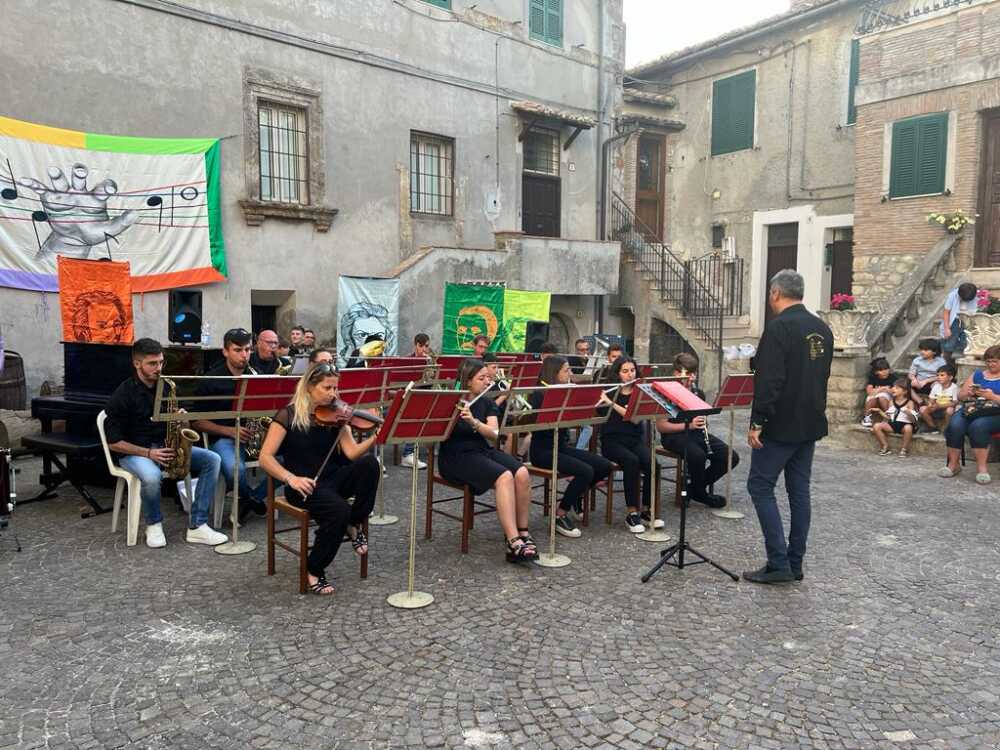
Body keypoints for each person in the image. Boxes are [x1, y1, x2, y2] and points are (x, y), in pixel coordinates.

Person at [257, 363, 380, 595]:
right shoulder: (288, 415)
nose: (333, 394)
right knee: (339, 510)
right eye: (327, 388)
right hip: (303, 486)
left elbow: (352, 453)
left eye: (335, 388)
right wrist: (291, 478)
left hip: (333, 480)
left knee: (370, 464)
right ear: (309, 387)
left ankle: (353, 522)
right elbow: (265, 457)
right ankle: (314, 568)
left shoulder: (338, 414)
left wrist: (375, 438)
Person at [744, 269, 833, 585]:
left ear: (775, 293)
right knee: (799, 491)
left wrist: (758, 421)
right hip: (810, 421)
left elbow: (769, 380)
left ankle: (778, 562)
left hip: (780, 423)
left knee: (760, 486)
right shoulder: (821, 328)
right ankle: (795, 562)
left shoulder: (779, 328)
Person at [104, 338, 227, 548]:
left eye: (161, 362)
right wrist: (149, 453)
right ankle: (153, 524)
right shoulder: (123, 394)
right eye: (152, 364)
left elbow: (176, 426)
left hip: (165, 446)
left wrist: (182, 420)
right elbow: (113, 442)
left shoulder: (167, 387)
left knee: (213, 459)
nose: (159, 368)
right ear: (137, 364)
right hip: (135, 452)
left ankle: (198, 525)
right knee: (152, 477)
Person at [438, 358, 538, 563]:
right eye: (481, 378)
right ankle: (512, 541)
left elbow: (493, 434)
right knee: (504, 476)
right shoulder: (450, 402)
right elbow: (436, 434)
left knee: (522, 473)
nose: (487, 382)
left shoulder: (486, 402)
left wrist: (473, 421)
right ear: (467, 381)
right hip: (456, 456)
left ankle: (523, 531)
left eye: (488, 378)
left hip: (481, 450)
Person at [528, 356, 612, 538]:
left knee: (604, 466)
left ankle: (574, 495)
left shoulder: (567, 391)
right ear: (554, 373)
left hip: (561, 446)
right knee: (585, 471)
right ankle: (560, 514)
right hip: (542, 451)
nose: (571, 373)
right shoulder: (539, 394)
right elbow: (533, 423)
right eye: (566, 370)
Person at [191, 328, 268, 521]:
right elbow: (196, 422)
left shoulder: (256, 375)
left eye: (248, 350)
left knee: (290, 458)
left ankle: (250, 499)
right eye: (238, 350)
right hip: (223, 438)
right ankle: (251, 499)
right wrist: (229, 431)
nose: (244, 355)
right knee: (235, 470)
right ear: (225, 351)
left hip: (252, 437)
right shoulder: (210, 380)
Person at [656, 352, 736, 510]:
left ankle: (693, 489)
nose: (692, 378)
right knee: (698, 455)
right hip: (673, 436)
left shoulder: (698, 393)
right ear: (676, 373)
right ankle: (700, 493)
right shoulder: (665, 393)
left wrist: (702, 423)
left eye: (694, 373)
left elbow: (702, 421)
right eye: (688, 373)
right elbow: (661, 426)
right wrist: (690, 425)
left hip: (696, 434)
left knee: (730, 457)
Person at [597, 356, 657, 533]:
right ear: (617, 374)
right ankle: (632, 513)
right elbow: (597, 412)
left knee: (652, 463)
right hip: (612, 442)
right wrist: (603, 400)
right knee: (632, 462)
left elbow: (635, 418)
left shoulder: (640, 393)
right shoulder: (609, 392)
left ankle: (646, 510)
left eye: (632, 370)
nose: (630, 374)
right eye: (625, 371)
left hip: (634, 440)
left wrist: (612, 404)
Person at [938, 344, 1000, 485]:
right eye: (988, 361)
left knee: (979, 426)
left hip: (996, 413)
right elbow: (960, 396)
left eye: (995, 361)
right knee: (955, 424)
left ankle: (982, 469)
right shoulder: (977, 375)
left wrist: (992, 396)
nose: (991, 364)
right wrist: (969, 393)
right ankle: (953, 465)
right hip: (973, 409)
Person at [401, 333, 433, 469]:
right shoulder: (407, 360)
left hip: (424, 396)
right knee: (416, 414)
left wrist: (430, 368)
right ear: (416, 345)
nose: (425, 349)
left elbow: (432, 382)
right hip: (409, 397)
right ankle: (408, 454)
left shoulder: (430, 361)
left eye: (427, 346)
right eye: (423, 346)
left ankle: (434, 447)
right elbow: (402, 383)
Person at [871, 379, 919, 457]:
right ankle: (885, 446)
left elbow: (913, 420)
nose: (893, 389)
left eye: (897, 388)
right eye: (893, 387)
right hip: (893, 424)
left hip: (904, 425)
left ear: (904, 391)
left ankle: (904, 449)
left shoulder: (910, 402)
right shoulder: (891, 402)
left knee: (908, 428)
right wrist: (879, 411)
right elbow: (889, 417)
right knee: (876, 426)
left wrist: (908, 413)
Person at [941, 282, 978, 359]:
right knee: (949, 343)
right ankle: (946, 360)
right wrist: (947, 328)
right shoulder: (952, 295)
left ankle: (963, 359)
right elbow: (946, 312)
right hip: (955, 320)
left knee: (966, 342)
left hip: (970, 320)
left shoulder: (979, 295)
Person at [919, 364, 959, 431]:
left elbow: (954, 402)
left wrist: (940, 406)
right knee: (922, 409)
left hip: (945, 409)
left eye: (942, 375)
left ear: (950, 377)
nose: (939, 377)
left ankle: (947, 428)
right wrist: (931, 404)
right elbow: (931, 399)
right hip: (936, 408)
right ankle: (932, 427)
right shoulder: (936, 386)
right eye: (938, 375)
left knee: (950, 410)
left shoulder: (954, 387)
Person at [908, 339, 947, 405]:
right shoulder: (917, 360)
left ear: (934, 352)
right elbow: (911, 374)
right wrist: (914, 379)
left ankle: (933, 403)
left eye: (925, 350)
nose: (922, 352)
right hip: (918, 381)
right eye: (921, 349)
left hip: (933, 381)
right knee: (905, 384)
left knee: (937, 385)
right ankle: (920, 401)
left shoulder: (940, 361)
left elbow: (942, 375)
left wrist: (926, 381)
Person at [861, 357, 895, 427]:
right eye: (881, 370)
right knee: (872, 399)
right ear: (876, 372)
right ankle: (867, 417)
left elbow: (894, 392)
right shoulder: (873, 378)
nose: (884, 372)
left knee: (882, 398)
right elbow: (869, 392)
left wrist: (879, 390)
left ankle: (888, 417)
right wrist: (883, 388)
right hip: (874, 398)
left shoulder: (893, 378)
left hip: (886, 400)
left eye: (886, 369)